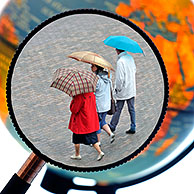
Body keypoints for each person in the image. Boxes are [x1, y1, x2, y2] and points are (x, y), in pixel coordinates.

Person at [68, 92, 104, 161]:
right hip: (90, 121)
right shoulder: (91, 94)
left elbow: (74, 110)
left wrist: (73, 100)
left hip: (80, 123)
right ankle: (100, 152)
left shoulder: (79, 97)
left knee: (76, 140)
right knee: (93, 140)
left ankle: (77, 154)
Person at [109, 49, 136, 134]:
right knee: (131, 108)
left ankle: (113, 126)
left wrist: (117, 89)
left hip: (123, 89)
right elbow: (134, 70)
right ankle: (133, 126)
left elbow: (120, 78)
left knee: (118, 108)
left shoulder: (121, 61)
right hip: (131, 87)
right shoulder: (130, 57)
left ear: (117, 50)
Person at [91, 64, 115, 145]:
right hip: (106, 104)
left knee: (97, 124)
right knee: (103, 121)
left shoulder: (97, 79)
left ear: (97, 68)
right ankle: (110, 133)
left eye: (92, 66)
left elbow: (94, 91)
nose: (91, 67)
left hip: (99, 106)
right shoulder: (107, 77)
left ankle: (98, 142)